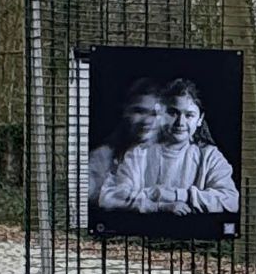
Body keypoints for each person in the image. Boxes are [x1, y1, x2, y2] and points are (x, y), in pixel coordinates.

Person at [99, 78, 239, 214]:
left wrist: (178, 195)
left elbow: (231, 201)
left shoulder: (210, 156)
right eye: (173, 112)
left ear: (200, 119)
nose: (180, 123)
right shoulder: (139, 154)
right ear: (161, 114)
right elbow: (109, 197)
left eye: (189, 115)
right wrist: (158, 205)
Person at [87, 78, 163, 203]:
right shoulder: (102, 156)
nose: (147, 121)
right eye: (139, 111)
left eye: (154, 114)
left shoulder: (171, 156)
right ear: (125, 112)